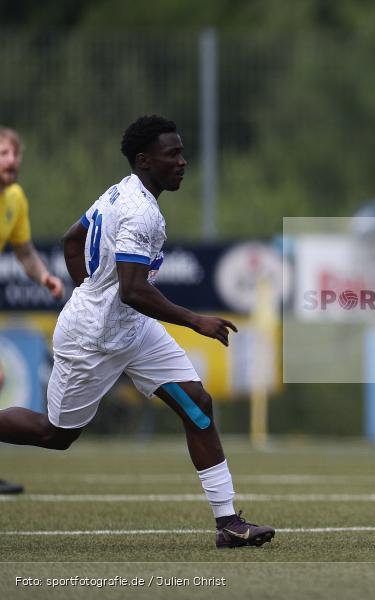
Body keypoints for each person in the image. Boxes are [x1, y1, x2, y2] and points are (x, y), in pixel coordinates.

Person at [0, 116, 275, 548]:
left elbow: (73, 240)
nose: (182, 162)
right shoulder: (138, 210)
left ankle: (229, 524)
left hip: (133, 331)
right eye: (173, 154)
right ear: (145, 160)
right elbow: (131, 290)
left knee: (198, 406)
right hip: (92, 340)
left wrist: (89, 289)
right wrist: (195, 320)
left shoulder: (121, 192)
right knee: (55, 435)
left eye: (182, 152)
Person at [0, 126, 64, 495]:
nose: (12, 161)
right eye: (4, 154)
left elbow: (23, 250)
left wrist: (44, 277)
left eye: (15, 154)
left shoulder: (15, 198)